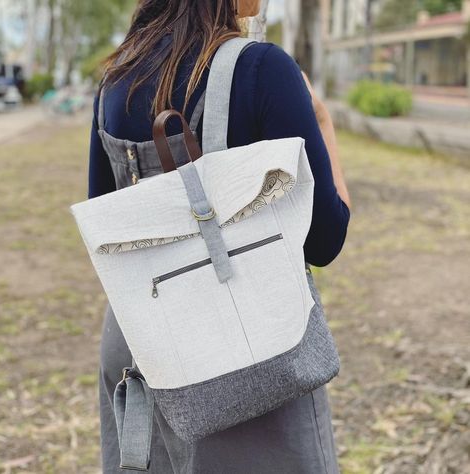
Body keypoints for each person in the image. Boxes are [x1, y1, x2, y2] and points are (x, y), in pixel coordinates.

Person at [88, 0, 351, 472]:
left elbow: (107, 226)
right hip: (245, 353)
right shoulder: (262, 68)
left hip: (139, 347)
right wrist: (322, 120)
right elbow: (325, 239)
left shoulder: (115, 80)